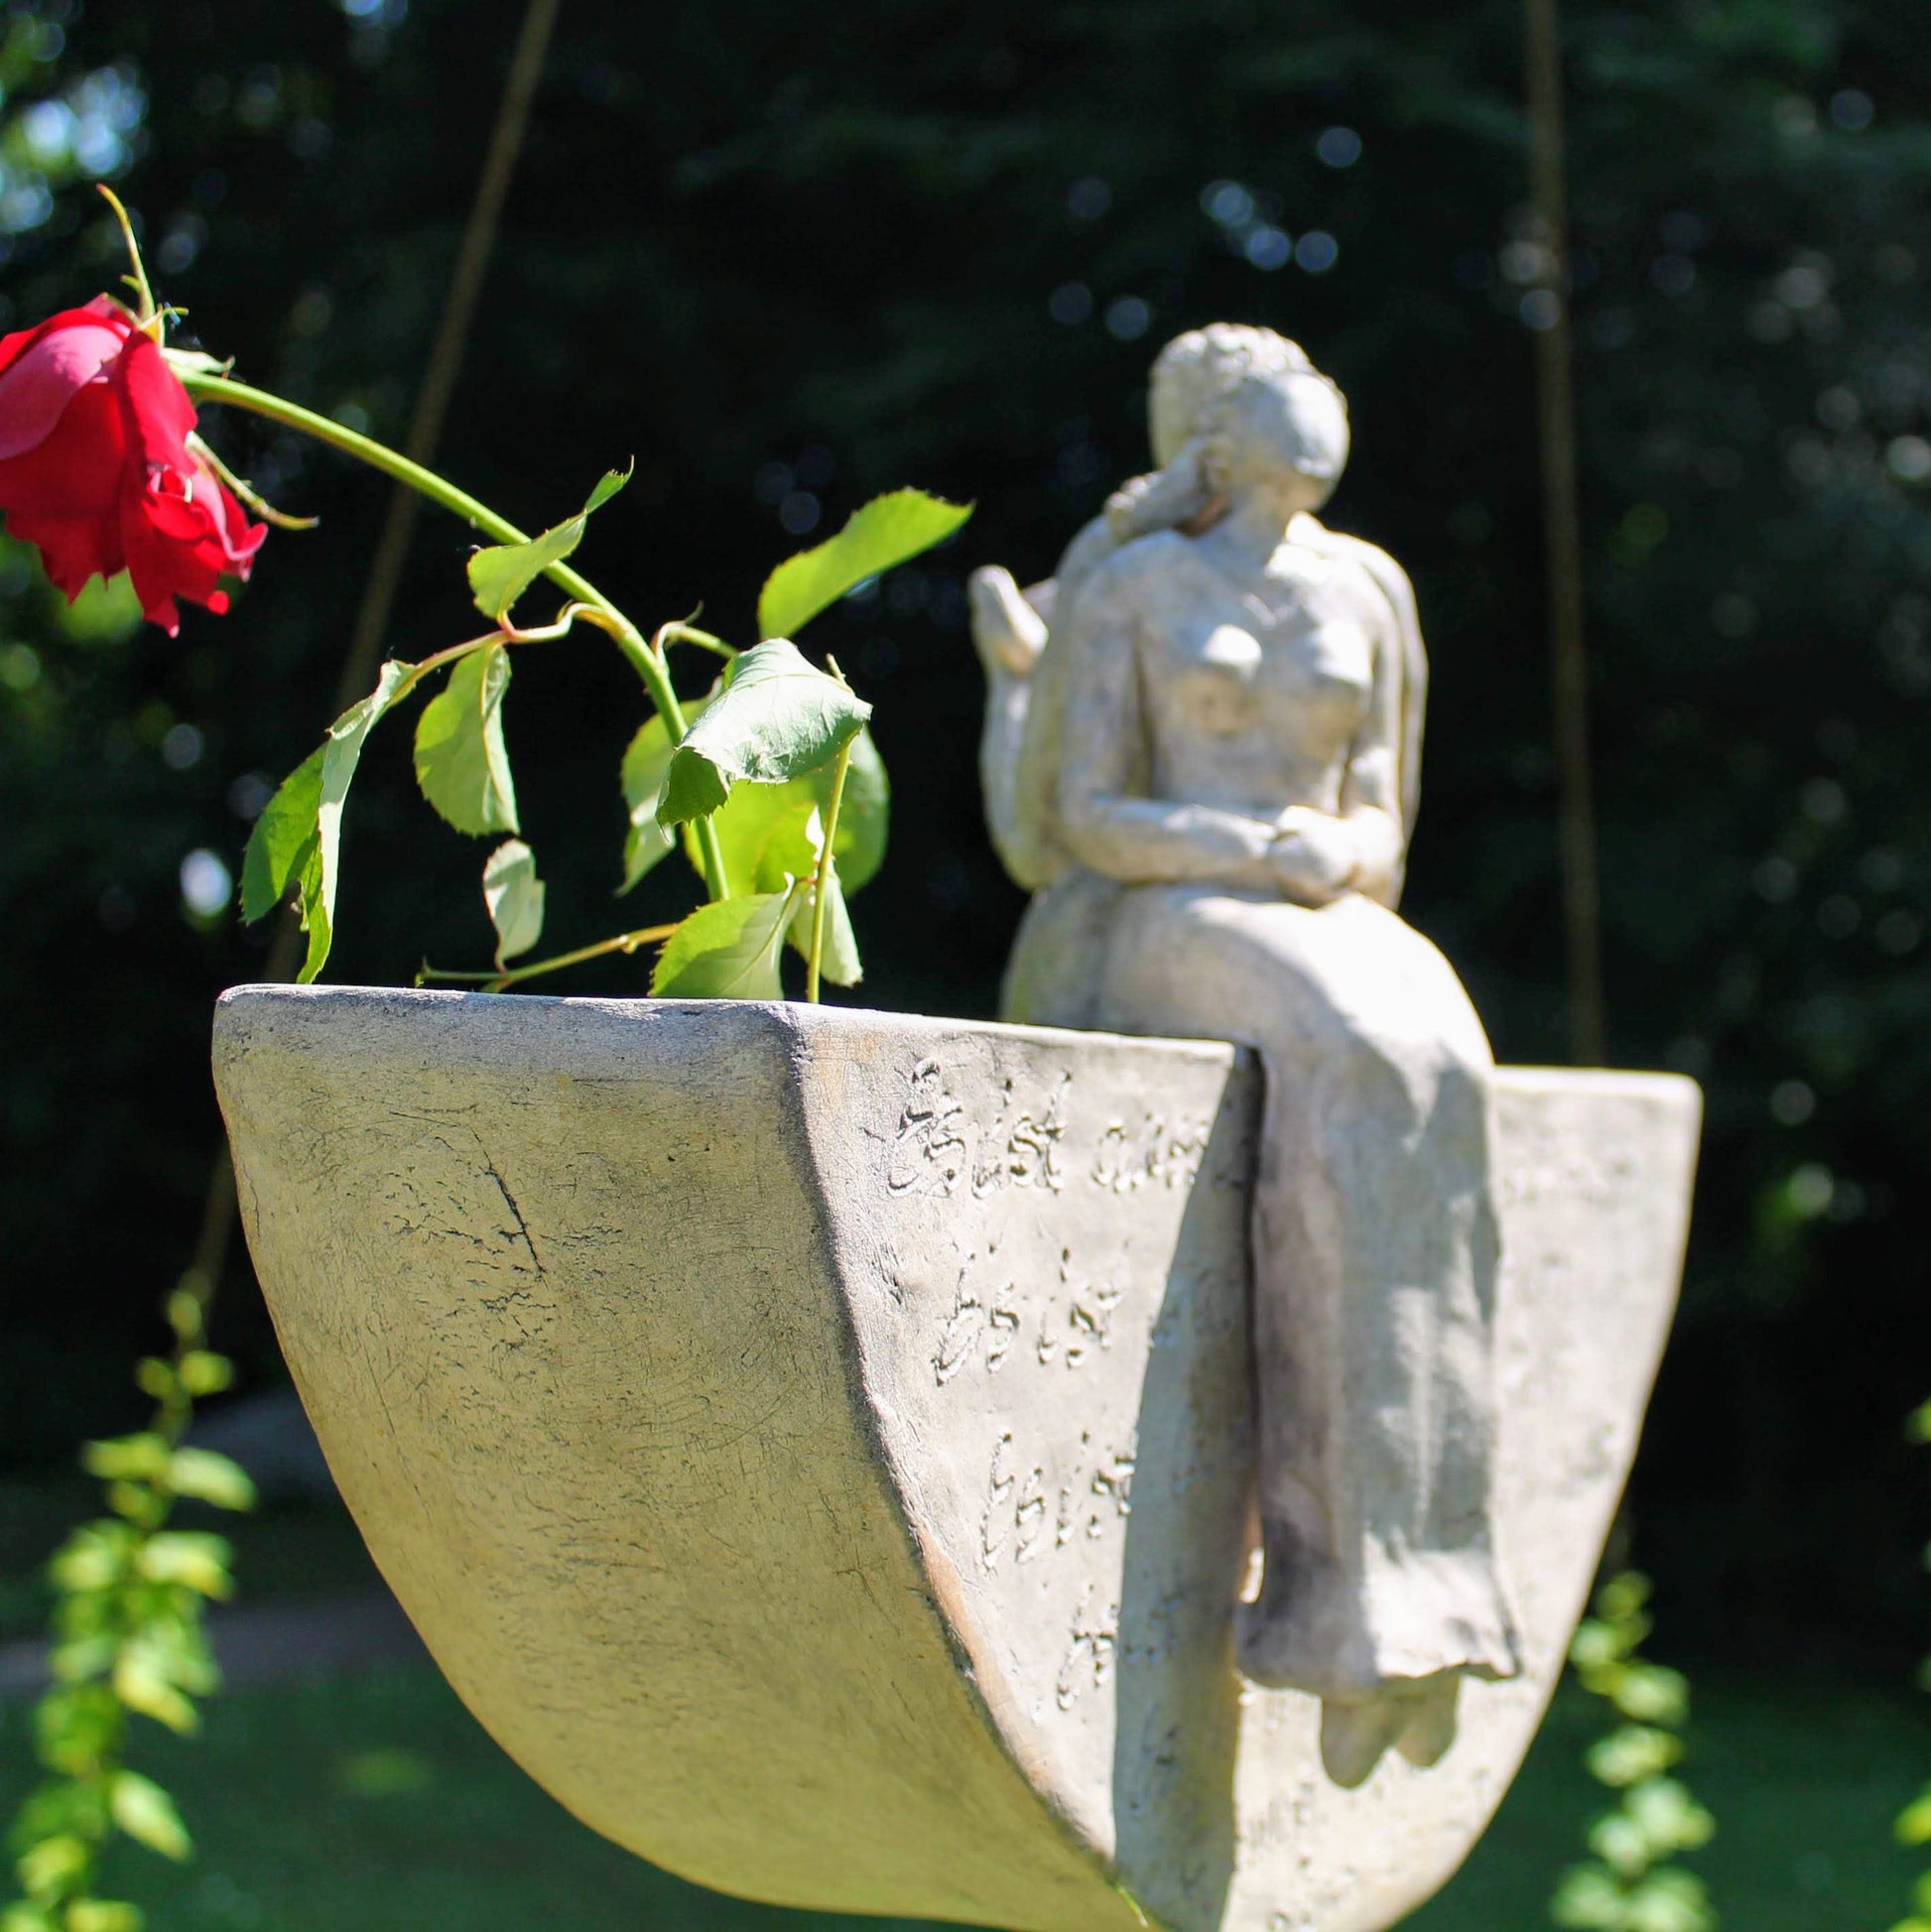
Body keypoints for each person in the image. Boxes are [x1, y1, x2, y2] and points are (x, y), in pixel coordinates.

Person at [970, 325, 1521, 1787]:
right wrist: (1233, 846)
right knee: (1355, 1041)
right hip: (1164, 915)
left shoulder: (1368, 588)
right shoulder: (1136, 586)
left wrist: (1330, 847)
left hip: (1314, 904)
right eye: (1283, 386)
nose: (1323, 399)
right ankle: (1349, 1606)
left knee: (1438, 1057)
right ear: (1214, 428)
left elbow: (1384, 821)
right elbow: (1078, 815)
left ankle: (1430, 1585)